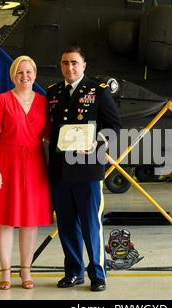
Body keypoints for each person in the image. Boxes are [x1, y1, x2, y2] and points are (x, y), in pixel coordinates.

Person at [47, 45, 121, 292]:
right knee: (66, 225)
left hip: (88, 169)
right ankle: (73, 271)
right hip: (60, 170)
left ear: (84, 65)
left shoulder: (98, 91)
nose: (70, 67)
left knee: (91, 224)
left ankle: (98, 274)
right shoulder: (53, 92)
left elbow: (114, 126)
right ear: (61, 65)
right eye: (65, 63)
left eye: (74, 63)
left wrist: (98, 142)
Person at [0, 56, 53, 290]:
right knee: (5, 220)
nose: (25, 76)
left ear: (35, 74)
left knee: (30, 222)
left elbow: (50, 136)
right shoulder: (2, 101)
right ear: (13, 76)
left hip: (34, 165)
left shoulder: (43, 103)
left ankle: (26, 272)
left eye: (29, 72)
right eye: (20, 73)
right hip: (6, 163)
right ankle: (5, 273)